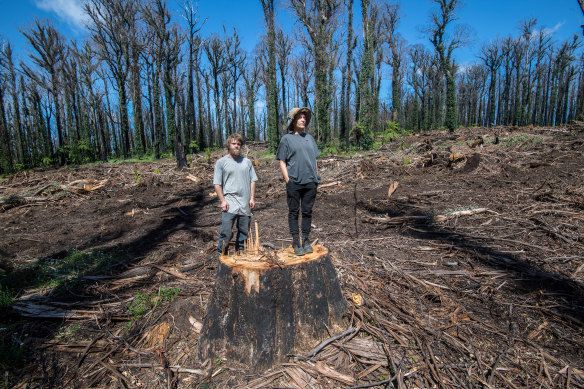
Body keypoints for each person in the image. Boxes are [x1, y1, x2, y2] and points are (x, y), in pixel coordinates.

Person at [276, 107, 321, 256]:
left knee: (307, 211)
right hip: (294, 182)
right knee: (294, 212)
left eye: (304, 117)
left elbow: (314, 159)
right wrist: (288, 181)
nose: (303, 119)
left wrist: (316, 177)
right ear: (293, 120)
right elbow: (282, 162)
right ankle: (296, 241)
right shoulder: (286, 139)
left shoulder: (310, 138)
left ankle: (306, 240)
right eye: (300, 117)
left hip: (310, 182)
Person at [213, 133, 258, 255]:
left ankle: (241, 253)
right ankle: (221, 254)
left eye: (238, 144)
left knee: (244, 231)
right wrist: (222, 200)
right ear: (228, 145)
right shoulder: (221, 162)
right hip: (229, 202)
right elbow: (217, 183)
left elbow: (253, 180)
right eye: (233, 143)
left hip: (245, 202)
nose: (236, 146)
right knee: (226, 231)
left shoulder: (247, 162)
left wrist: (252, 198)